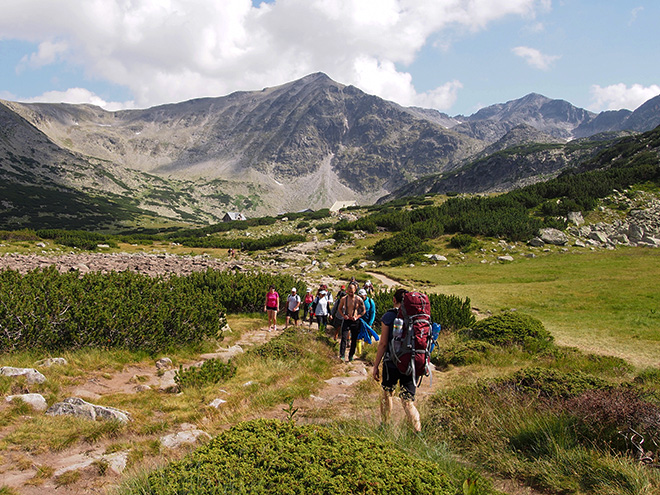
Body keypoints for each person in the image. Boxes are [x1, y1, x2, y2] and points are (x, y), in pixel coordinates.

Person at [372, 288, 421, 433]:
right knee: (408, 401)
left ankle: (385, 425)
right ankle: (417, 432)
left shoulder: (389, 316)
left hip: (392, 362)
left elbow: (383, 343)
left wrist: (376, 365)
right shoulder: (416, 317)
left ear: (394, 300)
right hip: (412, 362)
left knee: (388, 393)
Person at [337, 282, 366, 362]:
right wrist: (343, 315)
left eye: (352, 291)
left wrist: (357, 317)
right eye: (349, 291)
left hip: (355, 321)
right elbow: (339, 309)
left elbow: (364, 310)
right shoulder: (344, 299)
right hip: (346, 320)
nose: (351, 293)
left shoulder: (359, 299)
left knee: (354, 339)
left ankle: (351, 355)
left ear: (355, 290)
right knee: (344, 337)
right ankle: (342, 355)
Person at [356, 288, 376, 355]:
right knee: (358, 337)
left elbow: (373, 313)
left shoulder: (370, 301)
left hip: (368, 323)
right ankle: (359, 353)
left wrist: (370, 323)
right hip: (359, 322)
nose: (361, 298)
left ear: (365, 295)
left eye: (362, 296)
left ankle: (364, 351)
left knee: (367, 338)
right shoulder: (357, 301)